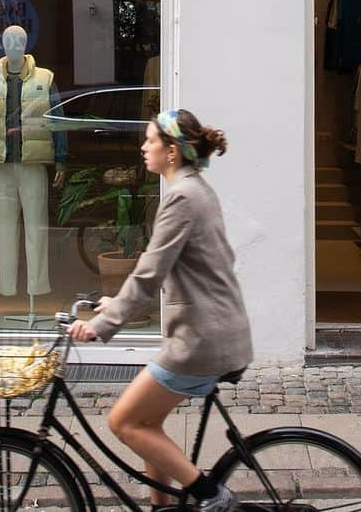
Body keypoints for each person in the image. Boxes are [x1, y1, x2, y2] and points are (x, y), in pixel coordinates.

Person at [68, 109, 252, 512]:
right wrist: (115, 303)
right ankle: (162, 507)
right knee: (147, 423)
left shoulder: (183, 197)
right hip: (212, 332)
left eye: (150, 140)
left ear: (171, 152)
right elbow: (179, 272)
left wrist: (100, 324)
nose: (143, 147)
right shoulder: (195, 189)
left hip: (201, 341)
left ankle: (211, 495)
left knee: (125, 422)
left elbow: (149, 274)